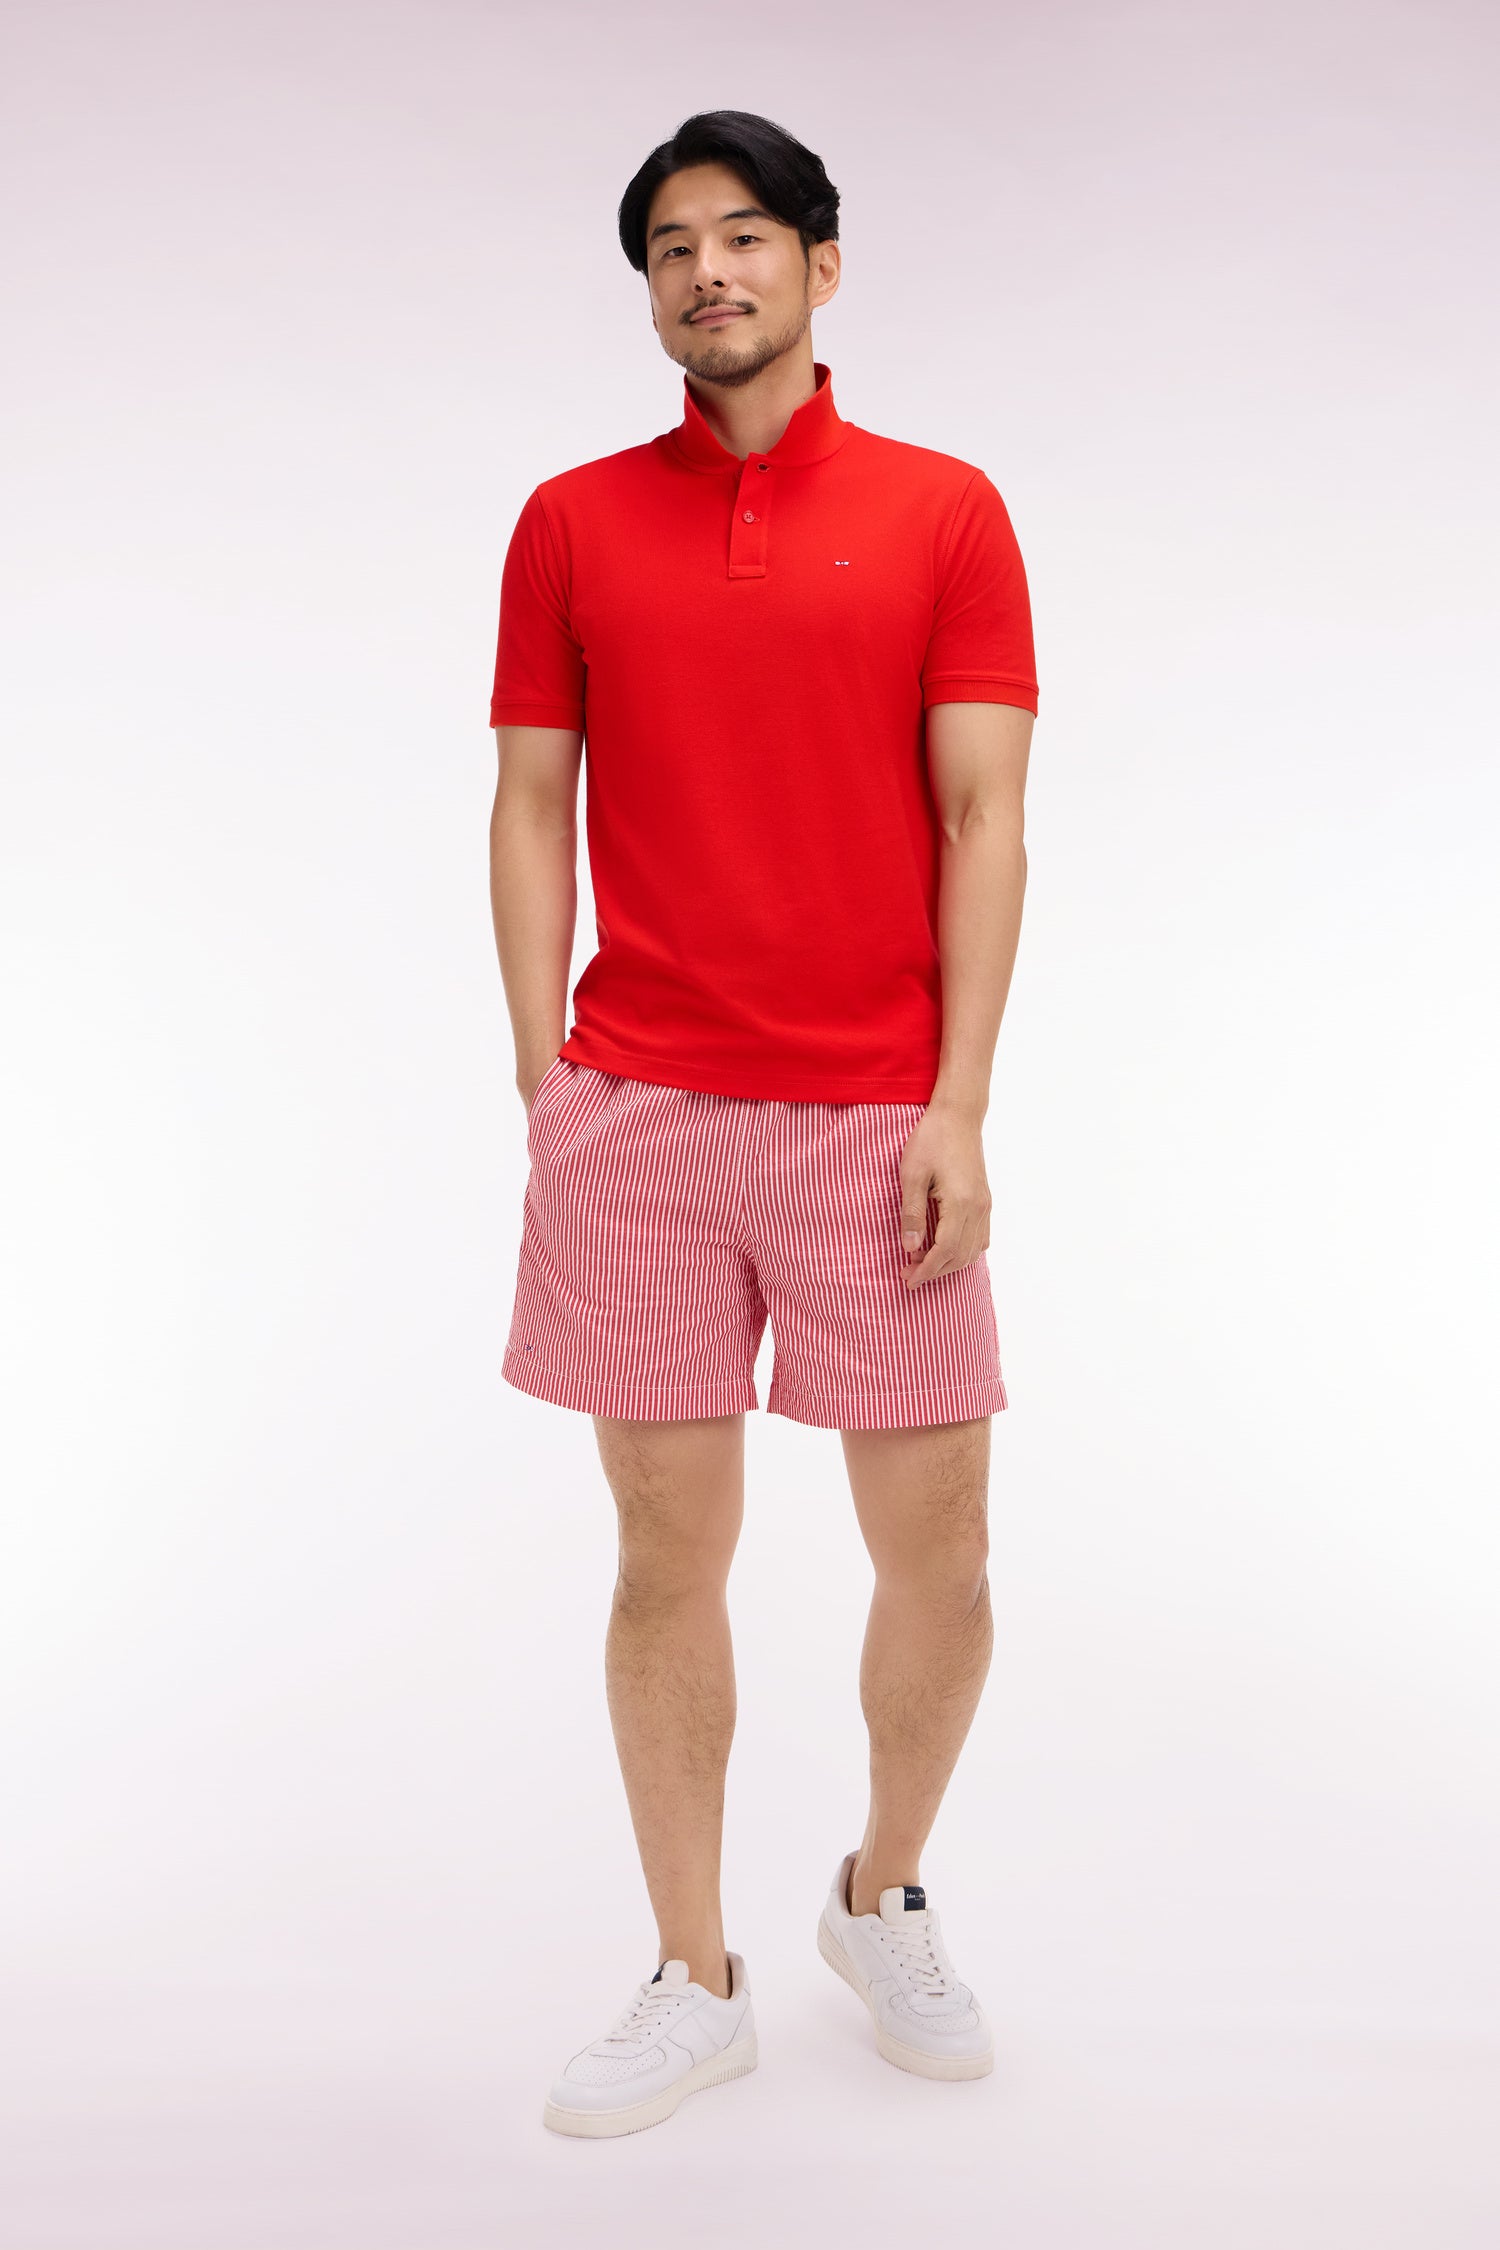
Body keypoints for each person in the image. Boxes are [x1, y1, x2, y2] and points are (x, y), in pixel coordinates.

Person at [487, 108, 1038, 2138]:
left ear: (820, 266)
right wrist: (541, 1074)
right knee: (664, 1557)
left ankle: (880, 1893)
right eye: (669, 248)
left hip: (873, 1116)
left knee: (942, 1548)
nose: (705, 272)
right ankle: (692, 1973)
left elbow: (985, 818)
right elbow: (529, 800)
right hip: (639, 1109)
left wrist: (958, 1101)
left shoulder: (945, 511)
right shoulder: (569, 522)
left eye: (742, 236)